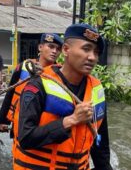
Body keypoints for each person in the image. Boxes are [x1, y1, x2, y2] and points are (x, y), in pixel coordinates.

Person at [14, 24, 112, 170]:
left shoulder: (96, 90)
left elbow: (100, 143)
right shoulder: (38, 85)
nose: (92, 57)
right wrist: (71, 120)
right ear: (66, 50)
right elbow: (25, 137)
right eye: (86, 49)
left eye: (96, 52)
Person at [0, 33, 63, 135]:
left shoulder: (60, 74)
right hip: (20, 120)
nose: (54, 51)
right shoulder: (24, 67)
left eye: (58, 49)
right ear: (40, 47)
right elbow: (10, 93)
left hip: (44, 128)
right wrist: (3, 120)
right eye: (51, 47)